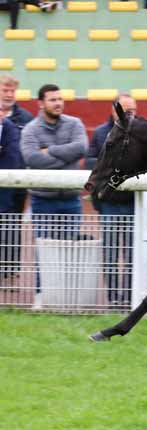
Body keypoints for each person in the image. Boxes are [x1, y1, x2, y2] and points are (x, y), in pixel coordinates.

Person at [20, 84, 87, 305]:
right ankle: (42, 295)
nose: (58, 103)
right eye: (52, 100)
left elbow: (81, 148)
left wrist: (49, 151)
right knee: (44, 250)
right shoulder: (30, 129)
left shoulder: (75, 123)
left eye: (60, 99)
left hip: (71, 199)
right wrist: (65, 156)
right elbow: (32, 159)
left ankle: (67, 296)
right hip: (43, 200)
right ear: (41, 103)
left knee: (70, 248)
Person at [86, 93, 136, 308]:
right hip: (110, 204)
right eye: (127, 110)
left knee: (134, 255)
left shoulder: (140, 134)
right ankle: (114, 299)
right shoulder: (100, 134)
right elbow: (91, 162)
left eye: (133, 110)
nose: (131, 114)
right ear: (113, 111)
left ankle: (131, 298)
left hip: (135, 204)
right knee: (111, 254)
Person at [0, 113, 24, 289]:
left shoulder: (10, 128)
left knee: (8, 233)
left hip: (7, 194)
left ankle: (8, 273)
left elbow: (12, 160)